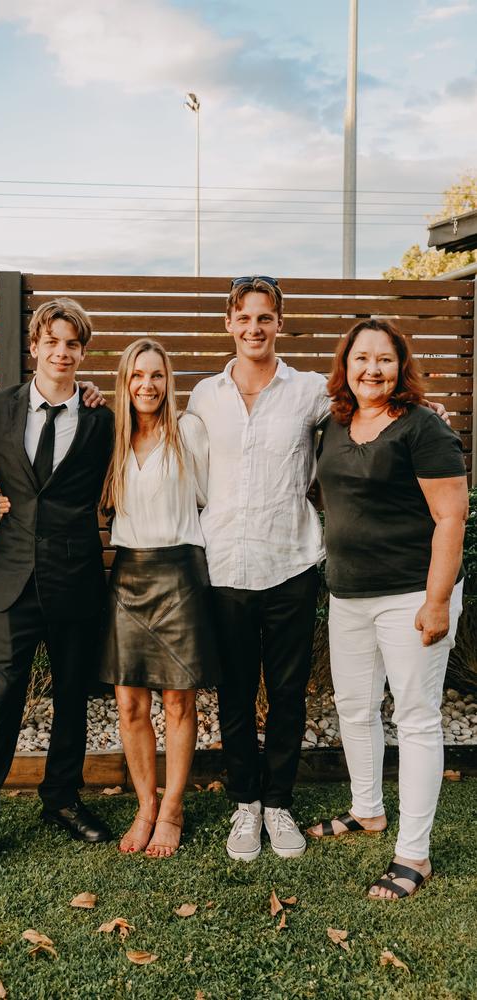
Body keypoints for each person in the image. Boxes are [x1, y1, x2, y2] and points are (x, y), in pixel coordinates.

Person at [0, 298, 114, 890]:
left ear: (82, 354)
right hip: (12, 577)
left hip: (76, 579)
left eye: (74, 345)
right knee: (0, 699)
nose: (62, 353)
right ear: (36, 346)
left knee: (73, 697)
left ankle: (62, 798)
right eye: (53, 342)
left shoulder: (100, 417)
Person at [307, 319, 468, 900]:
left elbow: (452, 517)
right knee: (354, 707)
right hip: (347, 594)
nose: (371, 369)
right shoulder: (333, 424)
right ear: (345, 365)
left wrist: (437, 600)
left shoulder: (424, 428)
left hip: (409, 598)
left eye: (384, 359)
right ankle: (367, 810)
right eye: (361, 358)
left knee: (416, 718)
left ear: (402, 367)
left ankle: (414, 855)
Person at [187, 276, 329, 862]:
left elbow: (368, 412)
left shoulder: (311, 391)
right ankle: (246, 802)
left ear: (279, 323)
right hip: (225, 565)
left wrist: (426, 409)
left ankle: (279, 802)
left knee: (290, 690)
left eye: (264, 317)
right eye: (243, 317)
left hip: (291, 561)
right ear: (228, 323)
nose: (254, 328)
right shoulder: (203, 395)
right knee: (237, 691)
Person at [99, 339, 220, 858]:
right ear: (124, 382)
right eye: (137, 376)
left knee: (178, 698)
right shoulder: (110, 434)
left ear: (169, 381)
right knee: (130, 702)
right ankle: (145, 805)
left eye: (157, 375)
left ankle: (172, 809)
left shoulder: (188, 429)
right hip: (129, 573)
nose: (147, 385)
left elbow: (211, 497)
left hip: (179, 571)